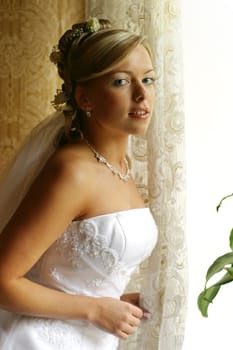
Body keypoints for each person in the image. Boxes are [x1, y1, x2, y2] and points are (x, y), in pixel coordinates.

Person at [0, 17, 158, 350]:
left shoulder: (123, 167)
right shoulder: (73, 171)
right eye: (121, 82)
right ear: (85, 98)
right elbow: (2, 281)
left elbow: (78, 275)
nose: (142, 94)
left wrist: (115, 300)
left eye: (148, 79)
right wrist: (95, 309)